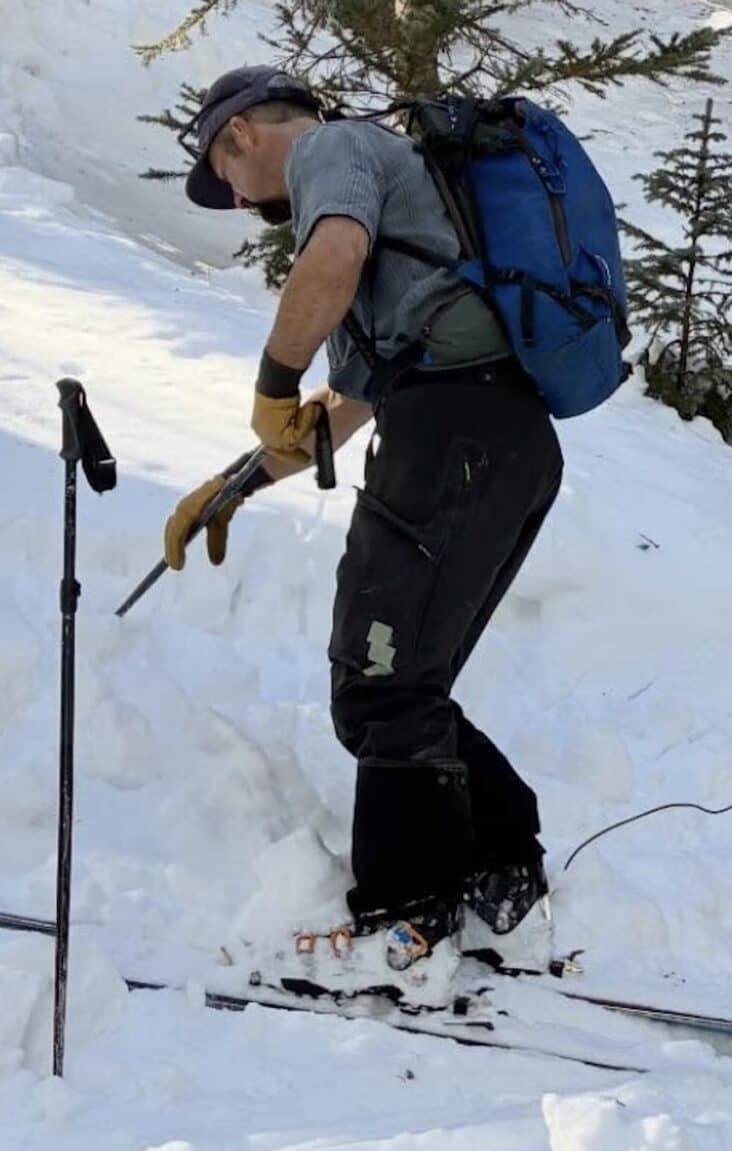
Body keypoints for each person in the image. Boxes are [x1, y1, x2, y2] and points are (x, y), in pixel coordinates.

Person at [164, 66, 557, 986]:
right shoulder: (402, 221)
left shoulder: (333, 150)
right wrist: (234, 484)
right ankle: (505, 886)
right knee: (404, 687)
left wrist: (268, 383)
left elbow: (329, 260)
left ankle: (401, 928)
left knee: (378, 689)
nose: (231, 197)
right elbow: (344, 405)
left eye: (222, 178)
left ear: (240, 137)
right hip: (500, 440)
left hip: (452, 434)